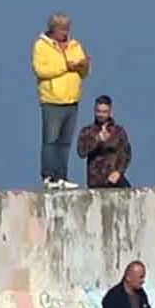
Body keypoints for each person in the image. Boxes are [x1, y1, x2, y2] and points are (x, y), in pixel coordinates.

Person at [31, 12, 90, 190]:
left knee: (65, 142)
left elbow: (84, 73)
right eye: (62, 29)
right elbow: (41, 70)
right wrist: (66, 66)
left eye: (67, 29)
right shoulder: (41, 46)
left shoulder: (75, 45)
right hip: (52, 100)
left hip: (72, 100)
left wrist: (84, 65)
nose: (66, 32)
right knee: (51, 140)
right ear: (53, 28)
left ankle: (62, 175)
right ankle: (49, 176)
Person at [75, 95, 132, 189]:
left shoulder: (118, 131)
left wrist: (118, 172)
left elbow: (126, 154)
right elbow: (81, 152)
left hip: (114, 181)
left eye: (104, 112)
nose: (101, 115)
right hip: (95, 181)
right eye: (99, 111)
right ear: (94, 111)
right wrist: (97, 140)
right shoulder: (87, 131)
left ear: (110, 112)